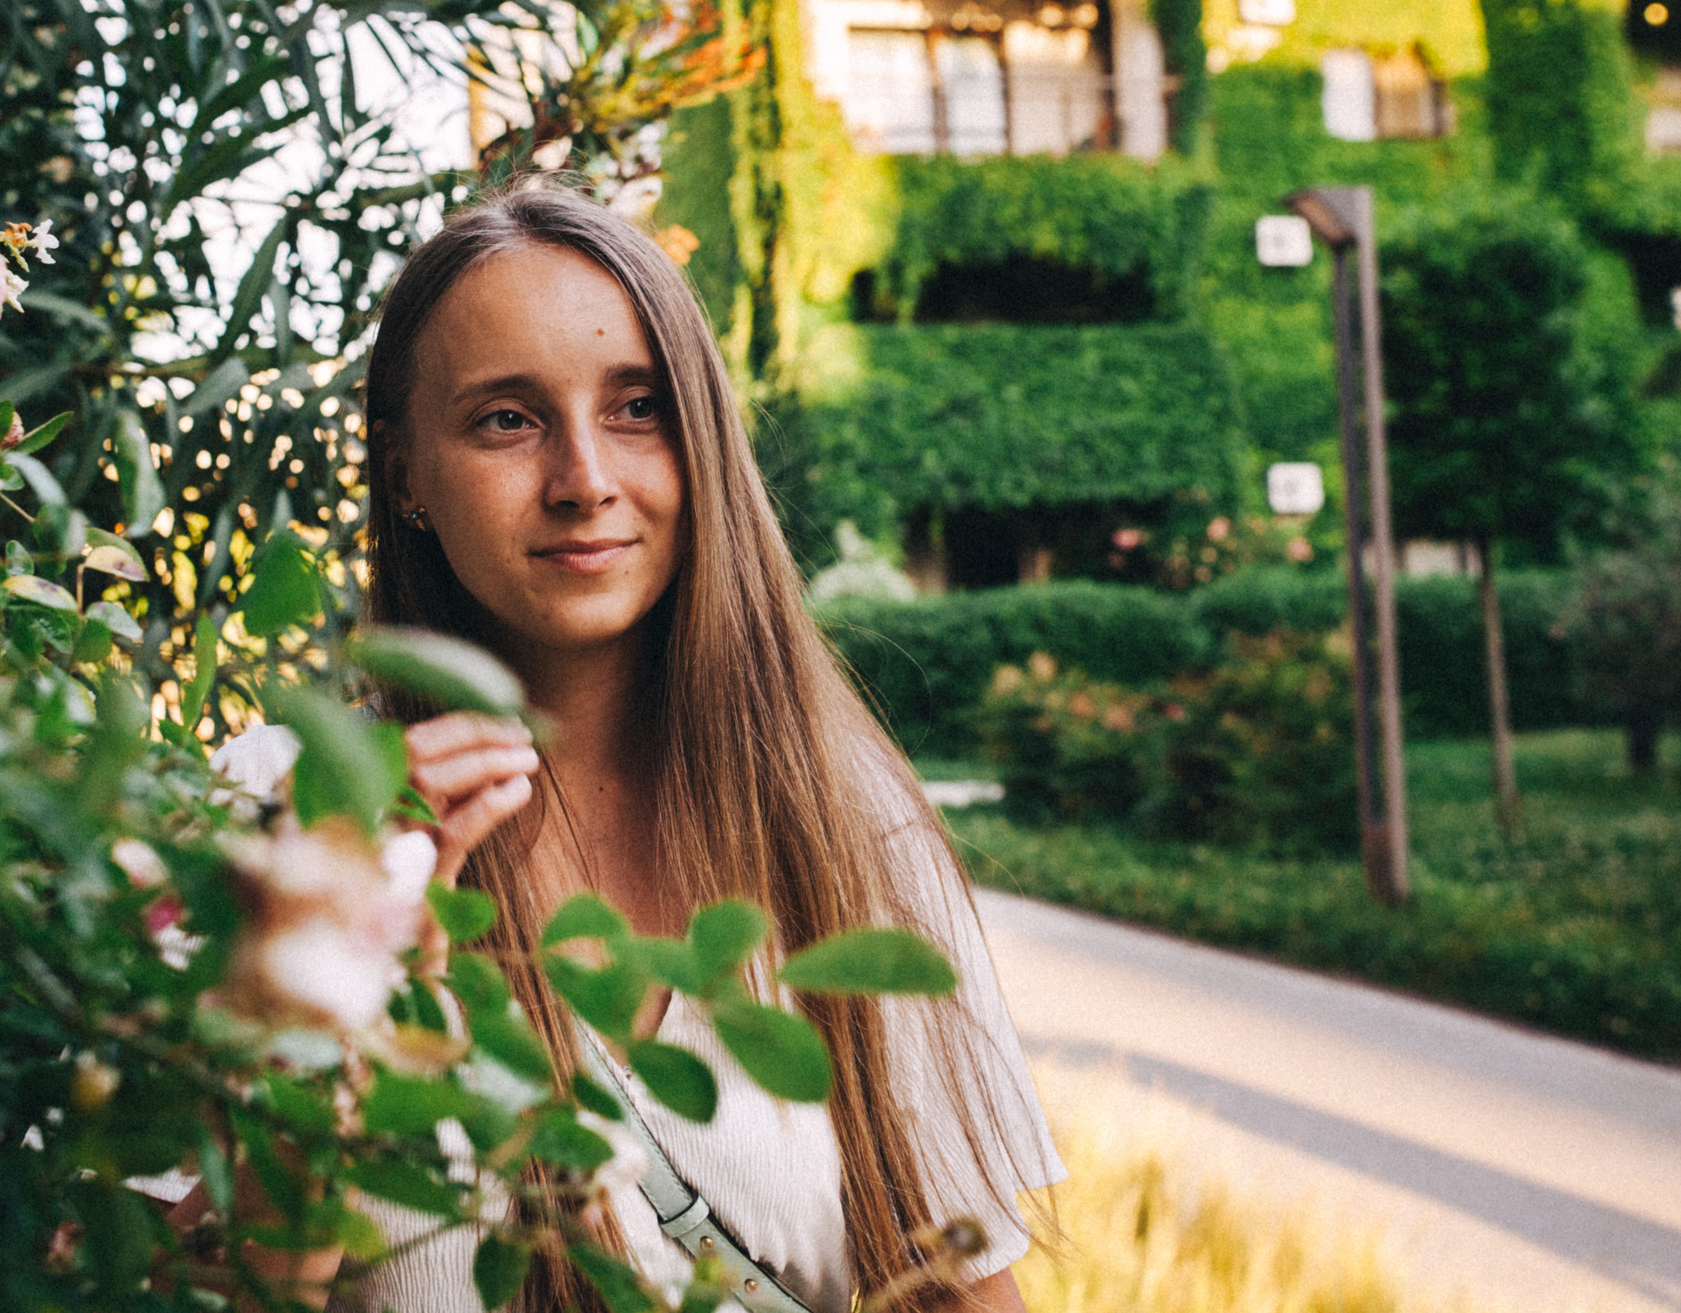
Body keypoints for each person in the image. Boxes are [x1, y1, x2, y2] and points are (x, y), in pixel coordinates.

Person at [205, 183, 1063, 1313]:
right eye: (506, 418)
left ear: (700, 437)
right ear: (405, 471)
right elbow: (208, 1285)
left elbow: (957, 1292)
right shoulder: (280, 817)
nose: (584, 480)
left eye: (636, 407)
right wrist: (329, 1007)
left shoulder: (844, 826)